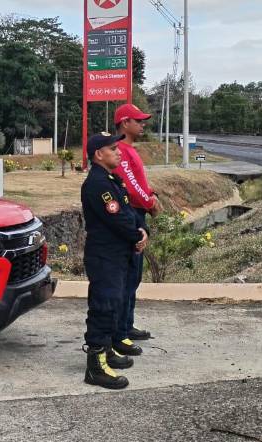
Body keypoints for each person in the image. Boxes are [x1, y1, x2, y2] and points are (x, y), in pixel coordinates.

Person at [81, 132, 148, 389]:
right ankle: (95, 367)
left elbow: (129, 211)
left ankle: (107, 349)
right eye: (113, 149)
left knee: (115, 303)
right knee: (104, 306)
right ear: (99, 154)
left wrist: (143, 231)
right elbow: (116, 218)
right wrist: (136, 236)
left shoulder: (112, 180)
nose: (119, 153)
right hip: (104, 256)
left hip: (118, 253)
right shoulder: (97, 184)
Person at [111, 103, 160, 358]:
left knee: (135, 276)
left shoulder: (129, 150)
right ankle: (120, 332)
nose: (143, 125)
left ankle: (127, 325)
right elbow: (131, 186)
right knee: (129, 276)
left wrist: (151, 194)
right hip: (132, 214)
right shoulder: (120, 150)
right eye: (138, 121)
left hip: (138, 213)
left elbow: (140, 182)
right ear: (125, 123)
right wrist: (150, 202)